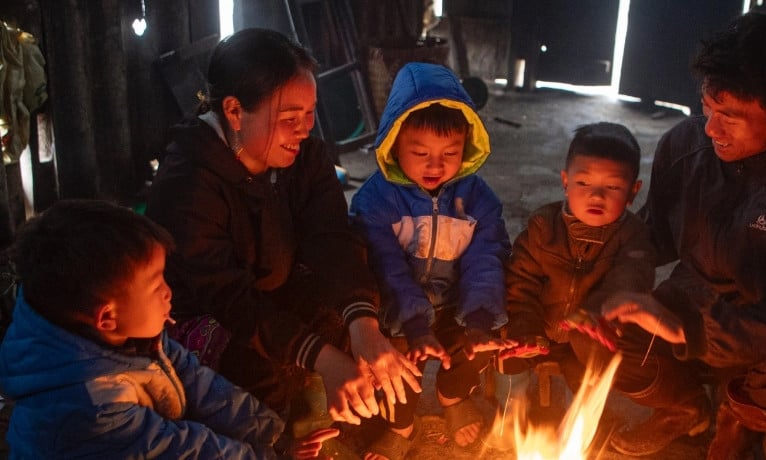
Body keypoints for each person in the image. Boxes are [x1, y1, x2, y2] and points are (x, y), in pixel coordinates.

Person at [589, 12, 766, 458]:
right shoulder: (685, 146)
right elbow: (651, 235)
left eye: (730, 116)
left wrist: (694, 332)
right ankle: (685, 407)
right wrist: (604, 276)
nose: (711, 128)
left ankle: (737, 420)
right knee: (597, 330)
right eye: (708, 108)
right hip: (690, 301)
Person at [144, 28, 420, 429]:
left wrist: (363, 324)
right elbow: (229, 299)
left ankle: (354, 422)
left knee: (373, 321)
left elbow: (331, 239)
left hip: (279, 289)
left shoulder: (306, 156)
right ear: (235, 111)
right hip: (208, 313)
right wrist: (323, 356)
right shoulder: (188, 184)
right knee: (260, 381)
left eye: (309, 113)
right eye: (290, 118)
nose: (305, 129)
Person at [0, 199, 309, 458]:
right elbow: (182, 450)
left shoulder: (119, 334)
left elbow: (194, 379)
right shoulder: (88, 410)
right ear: (107, 316)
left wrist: (272, 436)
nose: (168, 291)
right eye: (155, 283)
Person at [349, 62, 517, 459]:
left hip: (456, 308)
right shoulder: (376, 200)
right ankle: (401, 423)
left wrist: (477, 320)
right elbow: (385, 265)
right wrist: (414, 323)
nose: (435, 165)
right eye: (420, 152)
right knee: (395, 364)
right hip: (399, 313)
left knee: (482, 344)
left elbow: (487, 258)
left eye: (450, 152)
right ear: (393, 145)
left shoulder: (478, 199)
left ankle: (452, 397)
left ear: (467, 146)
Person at [495, 122, 656, 427]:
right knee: (506, 348)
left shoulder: (633, 235)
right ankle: (509, 416)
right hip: (537, 322)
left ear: (634, 191)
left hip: (588, 332)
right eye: (583, 183)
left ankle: (583, 422)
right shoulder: (544, 226)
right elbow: (520, 282)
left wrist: (594, 315)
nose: (596, 196)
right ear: (565, 181)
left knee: (590, 369)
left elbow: (631, 279)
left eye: (612, 187)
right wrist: (525, 327)